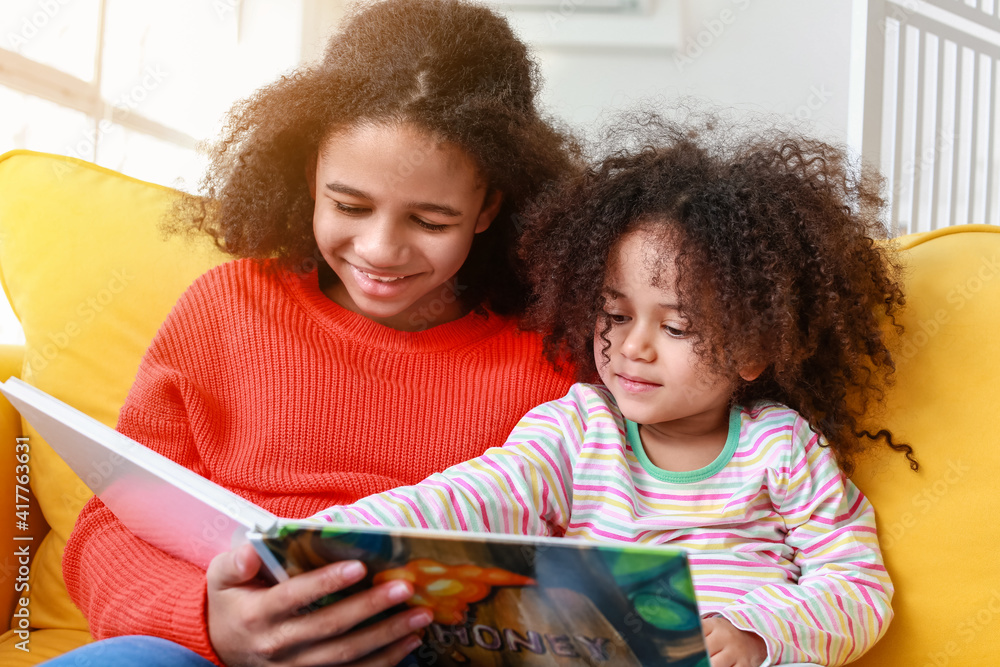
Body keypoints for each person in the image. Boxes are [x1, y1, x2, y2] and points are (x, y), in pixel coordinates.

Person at [52, 1, 580, 666]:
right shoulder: (225, 307)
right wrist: (212, 621)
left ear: (490, 206)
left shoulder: (553, 352)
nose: (381, 249)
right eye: (350, 205)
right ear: (309, 176)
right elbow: (113, 523)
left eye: (431, 220)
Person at [311, 114, 919, 667]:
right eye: (616, 314)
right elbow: (477, 495)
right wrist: (348, 533)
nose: (634, 348)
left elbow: (855, 585)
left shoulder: (780, 445)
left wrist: (757, 633)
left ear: (753, 350)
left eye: (677, 326)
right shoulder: (579, 426)